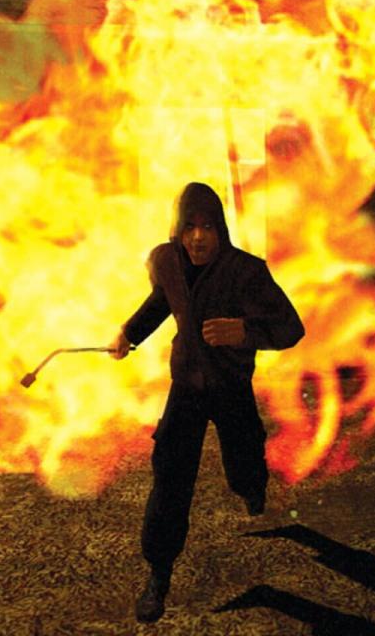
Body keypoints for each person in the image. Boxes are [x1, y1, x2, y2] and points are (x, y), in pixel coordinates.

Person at [110, 182, 305, 623]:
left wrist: (244, 332)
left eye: (208, 227)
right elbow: (163, 300)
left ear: (221, 229)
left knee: (244, 456)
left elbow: (290, 327)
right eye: (190, 227)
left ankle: (252, 489)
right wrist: (130, 333)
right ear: (178, 229)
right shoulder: (167, 261)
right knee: (170, 478)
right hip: (187, 387)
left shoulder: (246, 272)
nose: (198, 237)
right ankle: (159, 573)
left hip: (231, 385)